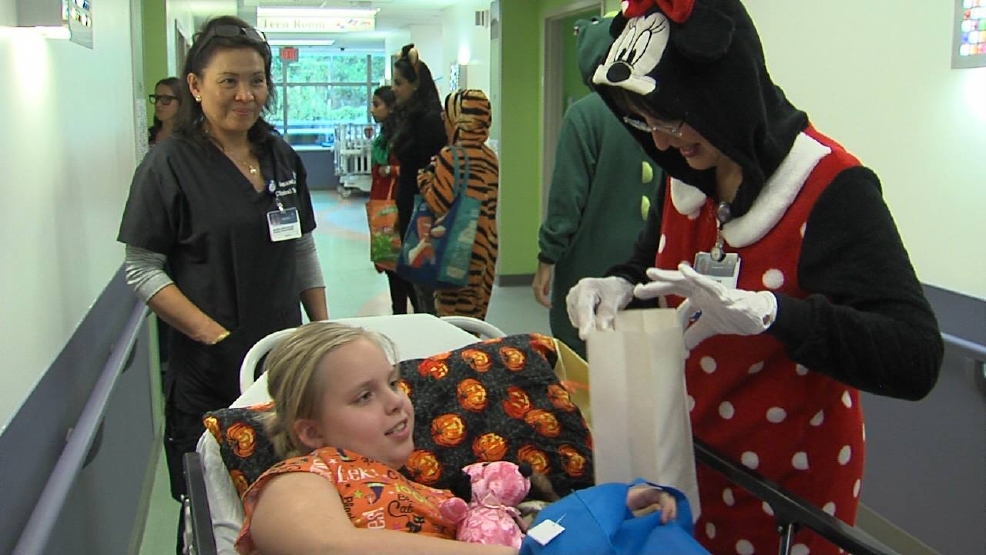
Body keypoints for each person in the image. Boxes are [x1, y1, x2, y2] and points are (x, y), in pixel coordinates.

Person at [567, 2, 943, 554]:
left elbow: (915, 356)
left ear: (721, 91)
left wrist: (777, 315)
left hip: (788, 488)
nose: (664, 142)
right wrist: (617, 286)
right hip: (690, 465)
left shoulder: (832, 190)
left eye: (671, 118)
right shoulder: (687, 173)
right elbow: (648, 262)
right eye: (647, 123)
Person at [117, 15, 328, 554]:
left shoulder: (279, 155)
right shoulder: (169, 165)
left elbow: (301, 246)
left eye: (256, 80)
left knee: (284, 499)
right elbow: (141, 268)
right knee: (215, 512)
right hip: (209, 371)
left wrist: (324, 333)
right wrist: (212, 334)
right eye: (228, 81)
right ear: (195, 85)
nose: (245, 94)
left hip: (282, 365)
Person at [234, 322, 678, 555]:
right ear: (310, 432)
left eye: (392, 382)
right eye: (365, 396)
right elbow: (331, 549)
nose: (395, 402)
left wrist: (606, 508)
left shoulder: (422, 492)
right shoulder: (298, 478)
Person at [532, 16, 662, 358]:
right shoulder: (662, 108)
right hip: (652, 266)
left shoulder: (585, 116)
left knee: (585, 364)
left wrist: (547, 256)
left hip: (591, 265)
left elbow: (566, 200)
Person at [417, 89, 500, 319]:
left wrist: (424, 179)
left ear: (458, 120)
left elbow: (439, 203)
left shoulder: (451, 155)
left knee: (452, 319)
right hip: (487, 246)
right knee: (475, 318)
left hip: (457, 249)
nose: (444, 122)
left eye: (447, 116)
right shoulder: (490, 156)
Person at [391, 44, 447, 315]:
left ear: (416, 85)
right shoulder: (409, 119)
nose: (394, 89)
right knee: (414, 283)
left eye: (399, 83)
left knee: (425, 288)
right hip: (410, 208)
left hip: (423, 214)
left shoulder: (429, 122)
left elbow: (432, 175)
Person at [369, 85, 413, 315]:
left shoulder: (403, 138)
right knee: (390, 267)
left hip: (397, 208)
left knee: (403, 269)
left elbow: (411, 170)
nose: (372, 110)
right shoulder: (384, 138)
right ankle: (399, 318)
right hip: (381, 208)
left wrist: (391, 170)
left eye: (377, 104)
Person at [148, 76, 182, 146]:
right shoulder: (149, 135)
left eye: (166, 99)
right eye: (156, 98)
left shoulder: (191, 138)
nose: (158, 104)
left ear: (181, 101)